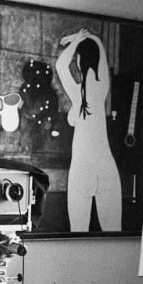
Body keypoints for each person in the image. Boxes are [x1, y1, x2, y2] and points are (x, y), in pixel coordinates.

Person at [55, 28, 122, 232]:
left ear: (79, 60)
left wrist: (76, 40)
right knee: (113, 234)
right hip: (104, 167)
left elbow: (60, 65)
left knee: (77, 233)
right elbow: (99, 45)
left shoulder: (78, 94)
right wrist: (85, 37)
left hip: (82, 168)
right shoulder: (101, 88)